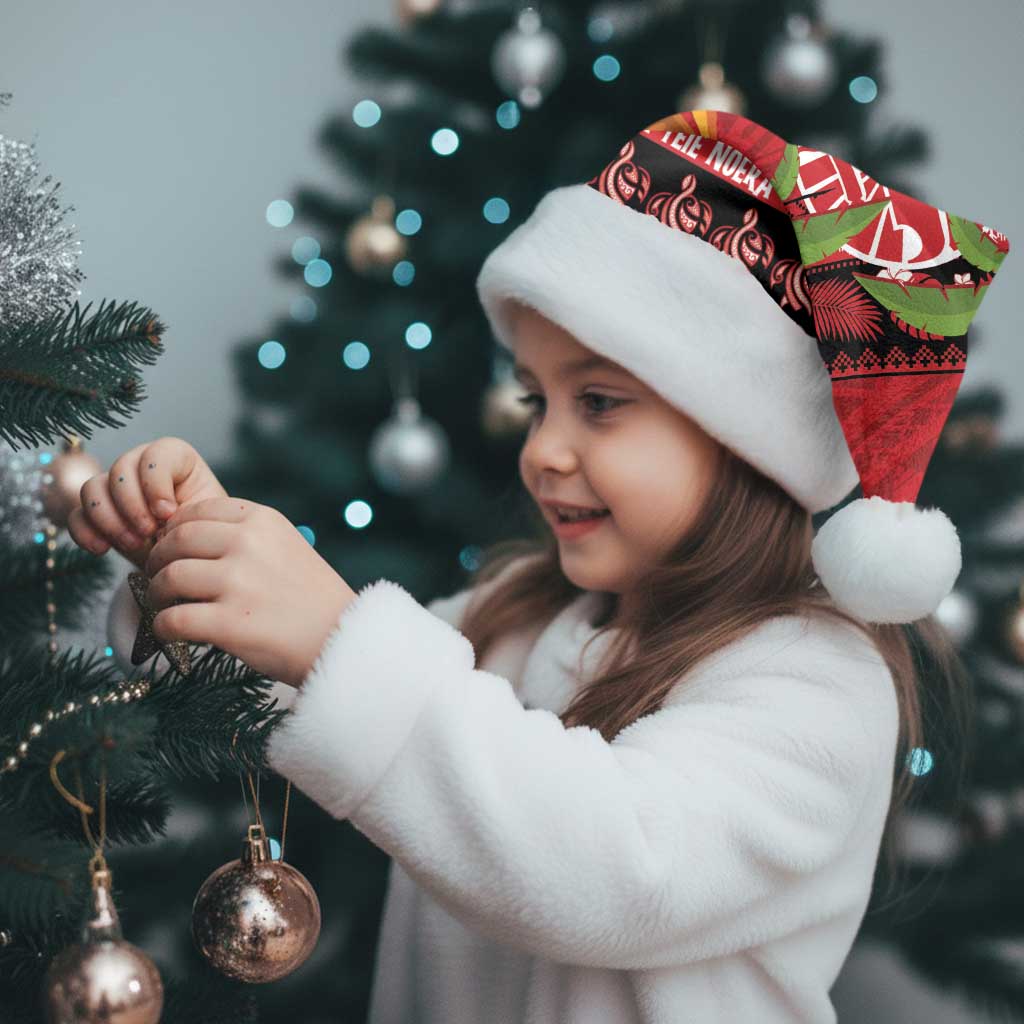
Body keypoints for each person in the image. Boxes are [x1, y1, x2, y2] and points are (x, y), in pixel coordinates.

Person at [72, 109, 1011, 1023]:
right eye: (535, 402)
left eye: (598, 402)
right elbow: (305, 692)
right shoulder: (515, 616)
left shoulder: (818, 683)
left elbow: (616, 871)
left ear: (746, 441)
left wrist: (335, 636)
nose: (543, 451)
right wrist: (190, 566)